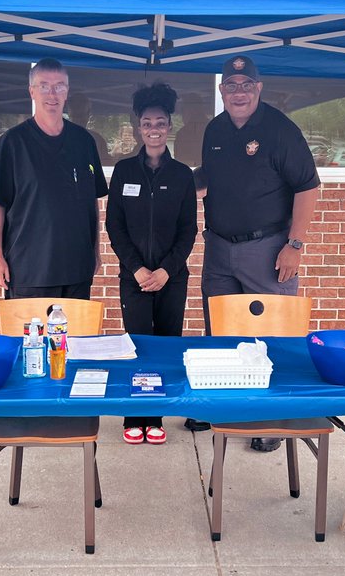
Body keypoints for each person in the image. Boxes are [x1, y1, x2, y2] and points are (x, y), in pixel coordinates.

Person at [199, 54, 321, 451]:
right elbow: (213, 179)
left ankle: (270, 423)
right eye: (231, 87)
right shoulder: (214, 130)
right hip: (219, 248)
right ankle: (225, 408)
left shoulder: (280, 130)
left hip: (268, 249)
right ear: (221, 92)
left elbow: (307, 187)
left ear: (259, 88)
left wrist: (295, 245)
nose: (239, 93)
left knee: (270, 336)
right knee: (221, 331)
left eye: (246, 86)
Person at [106, 82, 197, 446]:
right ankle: (135, 415)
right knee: (138, 346)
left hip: (171, 279)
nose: (154, 129)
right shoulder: (125, 172)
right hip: (134, 278)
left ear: (169, 127)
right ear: (138, 128)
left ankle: (155, 416)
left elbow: (188, 230)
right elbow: (115, 226)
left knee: (165, 345)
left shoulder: (182, 176)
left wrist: (165, 271)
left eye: (160, 123)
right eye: (147, 123)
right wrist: (138, 270)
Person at [0, 58, 108, 299]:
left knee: (75, 338)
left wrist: (95, 250)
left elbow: (91, 202)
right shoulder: (12, 143)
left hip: (76, 270)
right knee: (30, 338)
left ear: (67, 91)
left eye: (59, 85)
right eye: (44, 85)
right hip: (29, 272)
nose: (52, 93)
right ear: (31, 91)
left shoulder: (84, 142)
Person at [173, 91, 212, 168]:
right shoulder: (182, 134)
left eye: (184, 109)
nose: (182, 114)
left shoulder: (213, 130)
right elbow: (179, 161)